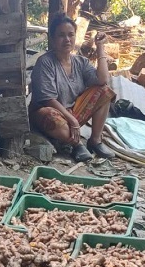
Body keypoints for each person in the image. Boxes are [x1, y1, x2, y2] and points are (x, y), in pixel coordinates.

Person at [30, 13, 117, 162]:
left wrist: (100, 47)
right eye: (61, 35)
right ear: (52, 38)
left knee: (105, 91)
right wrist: (73, 121)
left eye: (71, 35)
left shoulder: (80, 62)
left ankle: (95, 141)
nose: (67, 39)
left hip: (73, 112)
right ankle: (76, 145)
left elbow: (102, 80)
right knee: (53, 119)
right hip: (49, 112)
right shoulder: (45, 62)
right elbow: (48, 100)